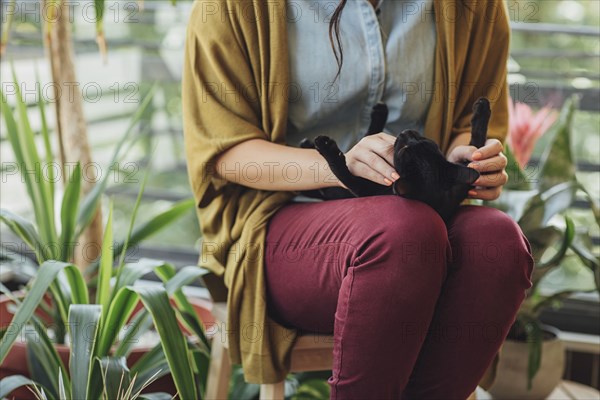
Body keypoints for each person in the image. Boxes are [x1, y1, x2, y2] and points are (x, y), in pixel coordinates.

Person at [182, 0, 535, 398]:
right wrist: (341, 165)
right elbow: (225, 152)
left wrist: (464, 162)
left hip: (424, 212)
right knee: (403, 234)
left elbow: (469, 124)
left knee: (498, 243)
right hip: (282, 219)